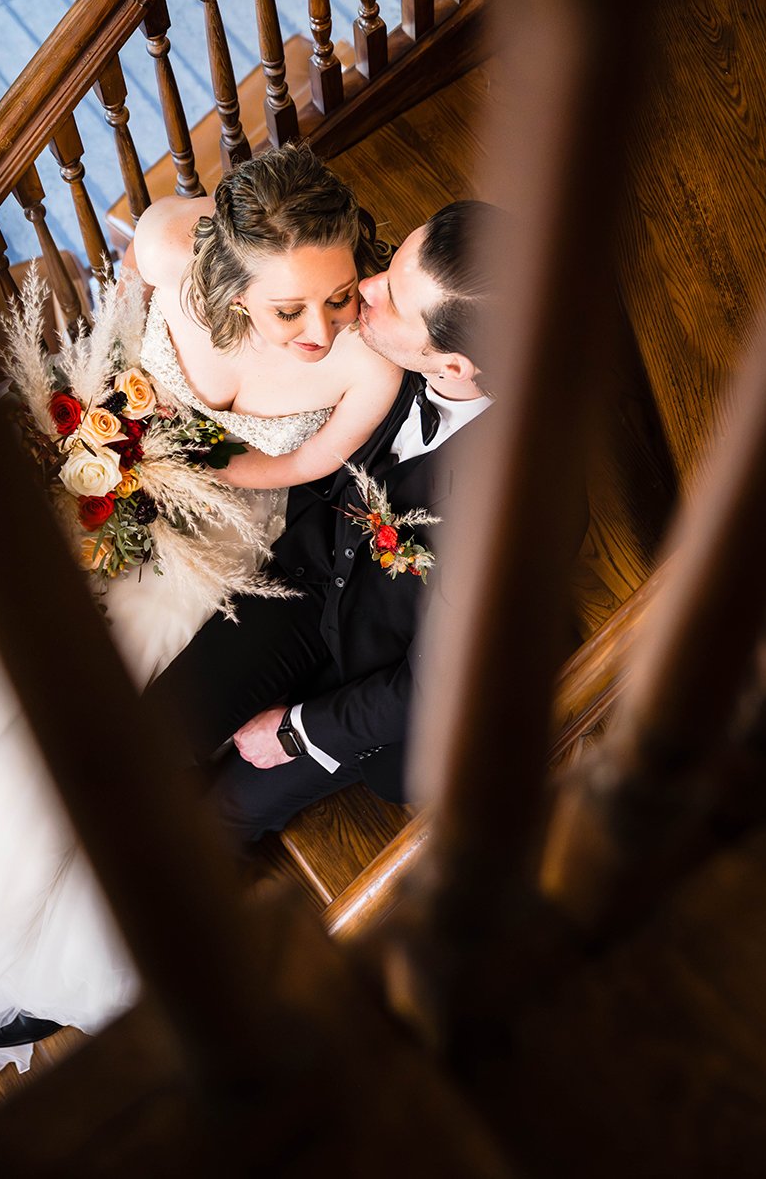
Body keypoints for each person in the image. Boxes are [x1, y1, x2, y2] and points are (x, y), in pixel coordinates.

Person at [0, 146, 401, 1095]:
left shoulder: (367, 359)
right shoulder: (168, 240)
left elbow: (304, 465)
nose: (320, 331)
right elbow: (127, 334)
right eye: (289, 309)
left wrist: (185, 471)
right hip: (102, 473)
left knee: (83, 727)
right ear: (226, 271)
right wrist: (113, 442)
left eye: (336, 296)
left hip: (219, 527)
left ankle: (44, 926)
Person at [142, 199, 520, 840]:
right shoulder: (383, 338)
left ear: (454, 367)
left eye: (393, 299)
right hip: (308, 580)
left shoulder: (513, 512)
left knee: (213, 827)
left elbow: (433, 685)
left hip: (376, 678)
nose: (364, 293)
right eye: (390, 269)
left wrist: (296, 729)